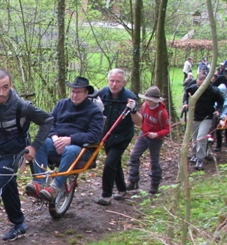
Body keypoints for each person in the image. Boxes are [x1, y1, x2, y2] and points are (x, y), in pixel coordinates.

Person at [0, 70, 53, 245]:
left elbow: (48, 120)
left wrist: (34, 147)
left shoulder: (23, 106)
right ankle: (19, 223)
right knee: (8, 188)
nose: (1, 92)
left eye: (5, 87)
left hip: (15, 154)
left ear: (11, 86)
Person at [25, 76, 105, 202]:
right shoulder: (62, 104)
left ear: (86, 93)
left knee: (71, 150)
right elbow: (49, 123)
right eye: (73, 91)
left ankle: (55, 187)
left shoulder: (94, 111)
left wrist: (70, 139)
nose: (75, 95)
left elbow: (94, 136)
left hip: (80, 149)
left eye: (78, 92)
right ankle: (38, 183)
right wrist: (55, 138)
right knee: (41, 143)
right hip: (56, 143)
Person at [96, 69, 142, 205]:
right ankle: (122, 190)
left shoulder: (130, 97)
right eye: (112, 81)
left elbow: (139, 122)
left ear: (124, 82)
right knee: (115, 163)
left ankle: (106, 196)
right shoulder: (102, 93)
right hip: (106, 135)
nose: (114, 84)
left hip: (122, 136)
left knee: (109, 163)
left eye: (117, 81)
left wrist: (133, 109)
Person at [126, 86, 170, 195]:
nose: (149, 102)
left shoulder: (162, 112)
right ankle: (133, 180)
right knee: (134, 156)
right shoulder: (144, 106)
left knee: (154, 161)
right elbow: (141, 118)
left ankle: (155, 184)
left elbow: (167, 129)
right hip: (143, 135)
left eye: (151, 101)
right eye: (147, 100)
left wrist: (156, 134)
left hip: (156, 139)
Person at [182, 73, 224, 170]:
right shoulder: (192, 88)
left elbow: (221, 101)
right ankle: (194, 154)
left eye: (201, 85)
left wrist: (218, 110)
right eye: (198, 84)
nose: (199, 87)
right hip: (194, 116)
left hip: (207, 117)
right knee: (194, 138)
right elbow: (185, 95)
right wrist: (185, 104)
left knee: (201, 137)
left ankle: (200, 159)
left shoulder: (213, 91)